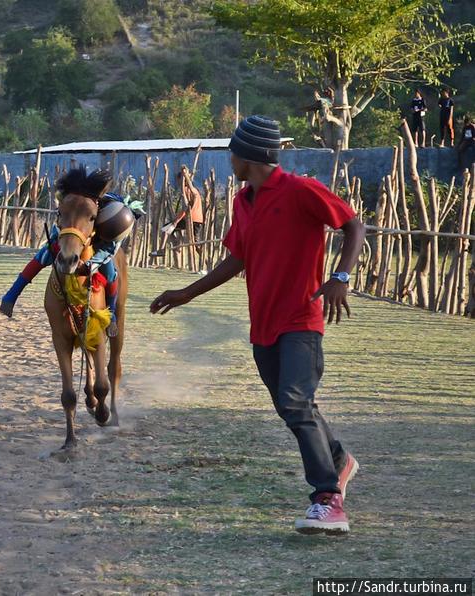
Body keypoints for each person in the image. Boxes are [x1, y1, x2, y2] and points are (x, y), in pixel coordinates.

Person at [150, 115, 366, 535]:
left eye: (233, 152)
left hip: (301, 319)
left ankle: (328, 499)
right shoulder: (242, 202)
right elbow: (236, 259)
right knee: (295, 406)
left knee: (294, 402)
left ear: (249, 156)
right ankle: (339, 461)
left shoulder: (301, 190)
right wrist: (186, 293)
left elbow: (353, 224)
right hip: (262, 324)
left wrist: (340, 276)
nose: (230, 158)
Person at [0, 191, 136, 338]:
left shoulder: (103, 205)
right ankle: (11, 295)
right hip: (69, 237)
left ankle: (112, 313)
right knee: (42, 257)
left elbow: (109, 246)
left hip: (96, 240)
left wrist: (91, 263)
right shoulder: (72, 198)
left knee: (110, 273)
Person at [151, 166, 204, 262]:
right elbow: (186, 208)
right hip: (197, 220)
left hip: (192, 219)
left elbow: (186, 208)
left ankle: (162, 250)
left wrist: (176, 221)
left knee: (166, 228)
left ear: (182, 180)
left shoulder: (189, 191)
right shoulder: (189, 191)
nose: (178, 183)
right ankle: (204, 259)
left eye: (179, 181)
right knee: (195, 243)